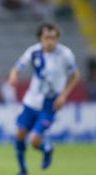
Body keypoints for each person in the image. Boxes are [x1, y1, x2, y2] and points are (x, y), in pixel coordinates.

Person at [7, 22, 80, 175]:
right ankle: (22, 169)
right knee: (19, 134)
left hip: (50, 103)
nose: (50, 41)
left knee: (34, 141)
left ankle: (47, 149)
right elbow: (18, 66)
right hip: (31, 100)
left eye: (53, 38)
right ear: (40, 37)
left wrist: (63, 95)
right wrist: (13, 76)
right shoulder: (33, 51)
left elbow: (75, 75)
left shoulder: (65, 54)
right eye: (47, 37)